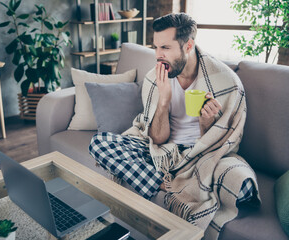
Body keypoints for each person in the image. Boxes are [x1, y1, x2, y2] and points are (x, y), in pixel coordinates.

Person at [89, 13, 259, 239]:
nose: (158, 55)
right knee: (100, 143)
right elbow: (156, 140)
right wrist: (164, 100)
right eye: (156, 47)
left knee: (243, 186)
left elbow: (223, 142)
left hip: (201, 154)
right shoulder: (155, 78)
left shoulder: (225, 82)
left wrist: (205, 124)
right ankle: (162, 183)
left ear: (188, 45)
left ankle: (179, 183)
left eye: (166, 48)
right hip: (162, 152)